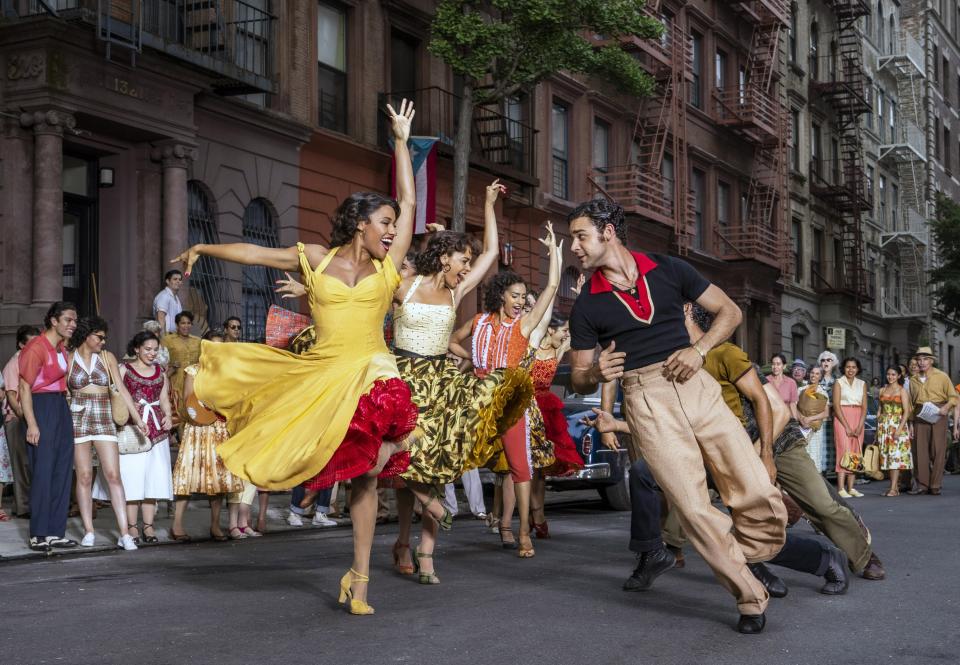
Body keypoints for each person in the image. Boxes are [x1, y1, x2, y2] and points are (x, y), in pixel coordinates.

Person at [171, 100, 419, 615]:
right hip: (324, 374)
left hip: (374, 370)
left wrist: (400, 140)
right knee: (338, 468)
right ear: (361, 226)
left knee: (371, 469)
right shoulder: (314, 258)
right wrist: (203, 249)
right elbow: (254, 253)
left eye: (394, 224)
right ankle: (344, 552)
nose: (393, 229)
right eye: (385, 222)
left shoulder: (391, 265)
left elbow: (410, 202)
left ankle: (362, 579)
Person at [565, 198, 785, 633]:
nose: (574, 246)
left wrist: (699, 350)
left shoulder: (668, 269)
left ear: (608, 232)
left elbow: (730, 311)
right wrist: (595, 372)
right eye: (573, 238)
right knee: (691, 505)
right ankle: (748, 596)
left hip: (695, 384)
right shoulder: (587, 305)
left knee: (755, 487)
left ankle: (751, 553)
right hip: (645, 399)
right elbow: (580, 378)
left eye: (580, 235)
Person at [448, 225, 562, 559]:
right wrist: (476, 362)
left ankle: (523, 532)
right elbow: (452, 341)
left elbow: (553, 286)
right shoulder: (481, 321)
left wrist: (554, 253)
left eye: (523, 297)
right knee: (447, 451)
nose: (520, 302)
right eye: (515, 296)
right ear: (501, 296)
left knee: (519, 469)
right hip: (480, 401)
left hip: (512, 404)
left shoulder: (524, 325)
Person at [67, 316, 144, 550]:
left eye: (104, 337)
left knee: (113, 475)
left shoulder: (107, 357)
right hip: (78, 416)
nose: (103, 341)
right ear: (87, 336)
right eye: (99, 337)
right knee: (83, 477)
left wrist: (138, 419)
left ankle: (124, 533)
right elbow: (63, 391)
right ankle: (88, 530)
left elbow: (122, 389)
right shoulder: (69, 358)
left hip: (103, 414)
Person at [95, 331, 174, 544]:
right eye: (147, 349)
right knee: (132, 482)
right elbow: (115, 395)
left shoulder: (160, 372)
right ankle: (131, 528)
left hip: (157, 432)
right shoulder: (124, 369)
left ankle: (148, 528)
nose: (152, 353)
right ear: (137, 349)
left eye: (155, 350)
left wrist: (167, 415)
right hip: (132, 433)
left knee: (152, 482)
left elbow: (163, 398)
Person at [170, 329, 243, 541]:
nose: (216, 350)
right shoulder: (193, 371)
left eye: (221, 346)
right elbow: (188, 400)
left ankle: (215, 525)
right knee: (187, 476)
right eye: (213, 345)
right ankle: (177, 525)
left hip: (220, 428)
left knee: (218, 479)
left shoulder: (228, 373)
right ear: (205, 347)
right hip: (198, 427)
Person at [18, 302, 79, 551]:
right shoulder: (36, 347)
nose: (72, 325)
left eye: (74, 321)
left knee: (63, 468)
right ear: (54, 321)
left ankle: (55, 531)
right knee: (43, 471)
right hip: (40, 408)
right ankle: (38, 533)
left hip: (60, 407)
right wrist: (32, 424)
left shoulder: (61, 348)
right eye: (67, 320)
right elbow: (24, 388)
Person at [529, 316, 582, 538]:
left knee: (541, 470)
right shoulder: (530, 348)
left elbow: (581, 332)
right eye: (563, 330)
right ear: (550, 330)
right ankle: (529, 517)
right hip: (528, 409)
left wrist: (580, 301)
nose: (566, 334)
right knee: (528, 469)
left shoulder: (559, 350)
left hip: (547, 412)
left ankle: (538, 516)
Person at [907, 346, 959, 496]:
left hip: (938, 412)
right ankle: (922, 485)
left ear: (931, 361)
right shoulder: (913, 380)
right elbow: (911, 403)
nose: (921, 362)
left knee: (938, 450)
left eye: (925, 359)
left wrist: (946, 408)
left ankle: (935, 485)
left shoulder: (942, 376)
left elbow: (953, 396)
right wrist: (910, 423)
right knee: (920, 451)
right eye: (919, 359)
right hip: (919, 414)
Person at [3, 325, 40, 518]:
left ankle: (31, 505)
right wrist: (22, 415)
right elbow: (10, 393)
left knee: (33, 464)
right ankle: (23, 506)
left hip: (34, 417)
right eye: (31, 342)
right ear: (21, 344)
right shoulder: (14, 362)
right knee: (22, 464)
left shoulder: (36, 360)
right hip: (17, 419)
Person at [833, 357, 867, 498]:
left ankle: (851, 487)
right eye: (848, 367)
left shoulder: (862, 383)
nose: (851, 369)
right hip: (842, 417)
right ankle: (841, 488)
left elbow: (864, 406)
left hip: (858, 416)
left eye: (853, 367)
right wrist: (846, 425)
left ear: (857, 369)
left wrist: (860, 424)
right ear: (844, 368)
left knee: (855, 452)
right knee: (843, 450)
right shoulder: (839, 382)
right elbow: (836, 405)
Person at [877, 366, 913, 497]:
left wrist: (899, 429)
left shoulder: (902, 391)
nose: (890, 377)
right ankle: (893, 487)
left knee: (895, 457)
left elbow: (907, 411)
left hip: (897, 424)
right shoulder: (882, 390)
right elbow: (880, 409)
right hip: (884, 425)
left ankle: (894, 488)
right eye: (888, 374)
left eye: (893, 374)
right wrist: (878, 425)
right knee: (887, 456)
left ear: (898, 376)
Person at [163, 310, 201, 418]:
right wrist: (171, 365)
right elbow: (161, 361)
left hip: (194, 382)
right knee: (177, 411)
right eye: (183, 323)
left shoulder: (198, 341)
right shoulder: (168, 340)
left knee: (193, 410)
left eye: (188, 323)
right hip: (176, 382)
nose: (186, 326)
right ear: (177, 325)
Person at [798, 365, 830, 472]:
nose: (814, 375)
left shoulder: (822, 392)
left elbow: (826, 413)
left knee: (814, 455)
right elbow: (794, 407)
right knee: (801, 454)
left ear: (820, 376)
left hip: (815, 429)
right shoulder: (801, 389)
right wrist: (802, 418)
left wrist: (810, 419)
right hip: (801, 426)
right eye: (812, 373)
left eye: (817, 374)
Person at [767, 353, 799, 421]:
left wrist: (795, 421)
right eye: (773, 364)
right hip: (770, 419)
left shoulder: (791, 383)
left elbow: (792, 404)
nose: (775, 367)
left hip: (786, 420)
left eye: (778, 364)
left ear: (784, 366)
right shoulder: (765, 381)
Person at [153, 269, 184, 334]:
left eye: (180, 279)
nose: (178, 281)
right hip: (167, 336)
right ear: (167, 281)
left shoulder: (176, 298)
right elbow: (161, 318)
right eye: (175, 279)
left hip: (175, 336)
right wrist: (163, 339)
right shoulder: (164, 296)